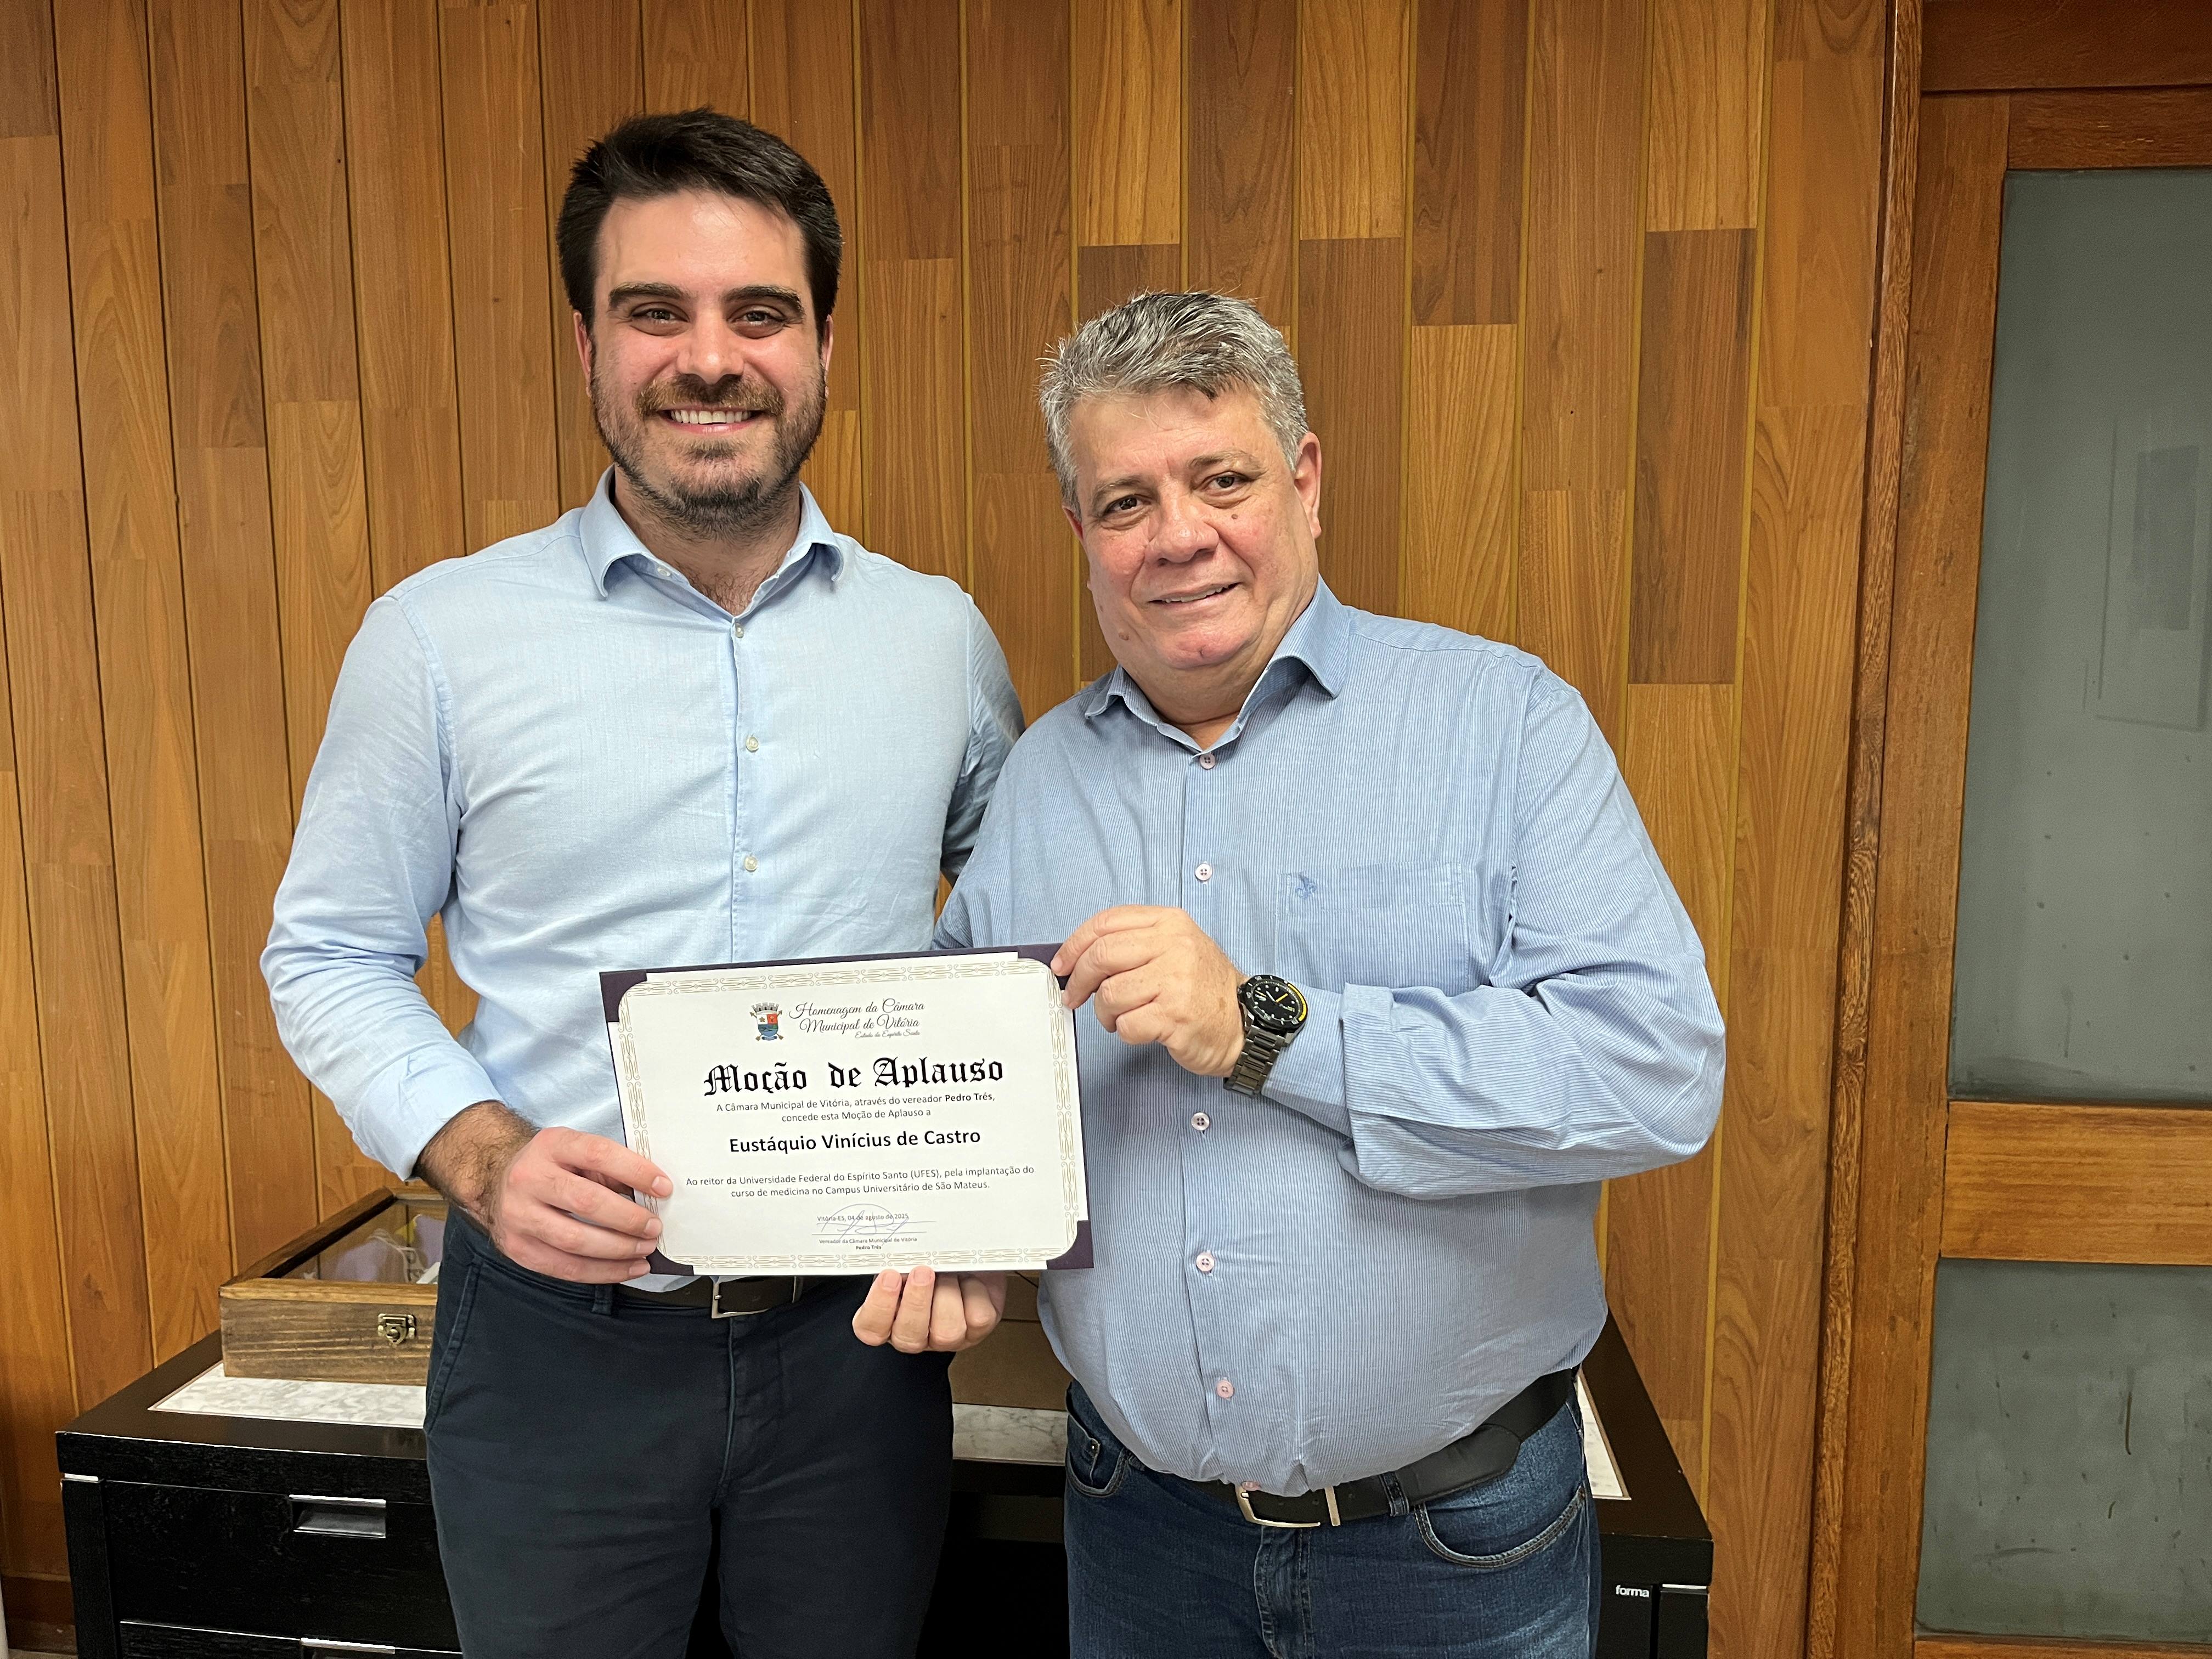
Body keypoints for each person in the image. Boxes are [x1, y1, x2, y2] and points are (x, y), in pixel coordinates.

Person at [264, 109, 1021, 1658]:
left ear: (823, 342)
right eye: (653, 312)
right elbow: (330, 952)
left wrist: (989, 1190)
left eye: (759, 313)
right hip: (555, 1352)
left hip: (853, 1353)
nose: (709, 358)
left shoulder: (939, 641)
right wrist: (478, 1154)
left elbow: (1011, 946)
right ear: (590, 344)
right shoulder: (438, 642)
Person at [935, 291, 1725, 1658]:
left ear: (1305, 482)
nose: (1177, 535)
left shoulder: (1504, 724)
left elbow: (1653, 1069)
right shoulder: (1042, 780)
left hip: (1450, 1552)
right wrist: (952, 1238)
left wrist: (1262, 1026)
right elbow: (969, 1092)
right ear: (1081, 535)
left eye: (1221, 479)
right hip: (1140, 1538)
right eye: (1124, 502)